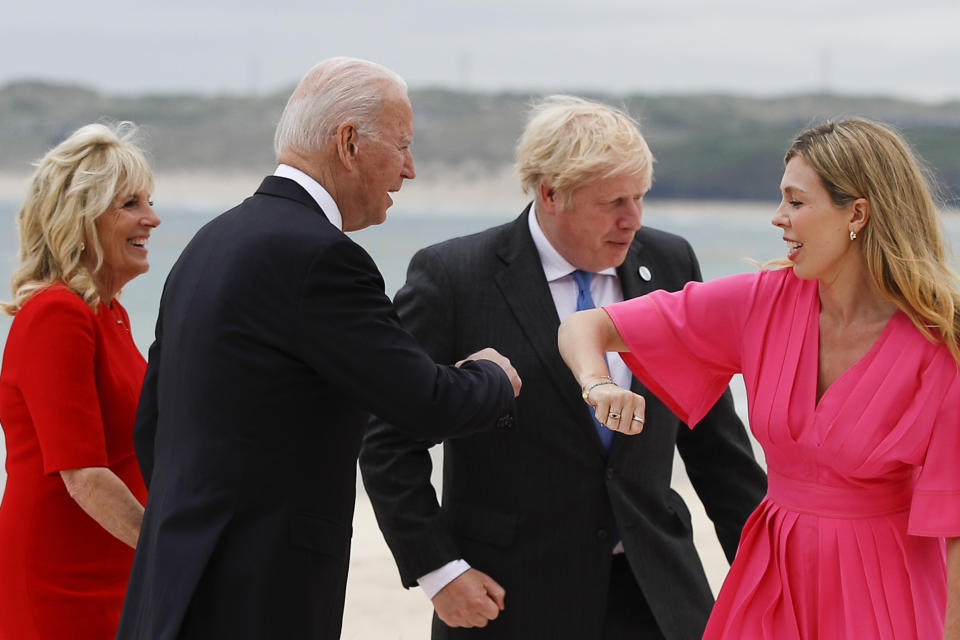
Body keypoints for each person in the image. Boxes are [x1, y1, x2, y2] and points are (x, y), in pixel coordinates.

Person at [115, 57, 520, 640]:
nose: (410, 170)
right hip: (260, 592)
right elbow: (424, 402)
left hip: (174, 579)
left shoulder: (210, 242)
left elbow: (152, 422)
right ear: (349, 142)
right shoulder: (318, 257)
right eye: (402, 146)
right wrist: (492, 377)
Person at [359, 95, 767, 639]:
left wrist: (769, 571)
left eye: (640, 197)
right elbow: (387, 436)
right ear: (551, 194)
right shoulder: (454, 276)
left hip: (658, 596)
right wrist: (439, 570)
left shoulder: (670, 262)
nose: (633, 220)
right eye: (614, 202)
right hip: (508, 600)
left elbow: (717, 444)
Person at [559, 118, 960, 639]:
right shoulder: (761, 303)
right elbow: (584, 326)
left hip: (885, 590)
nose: (778, 218)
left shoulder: (941, 344)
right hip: (772, 581)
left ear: (856, 213)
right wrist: (599, 384)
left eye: (795, 202)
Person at [0, 122, 159, 639]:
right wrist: (171, 553)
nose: (151, 219)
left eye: (149, 202)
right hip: (61, 578)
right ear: (82, 218)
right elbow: (83, 474)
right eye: (130, 204)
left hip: (117, 562)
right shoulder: (57, 315)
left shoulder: (108, 314)